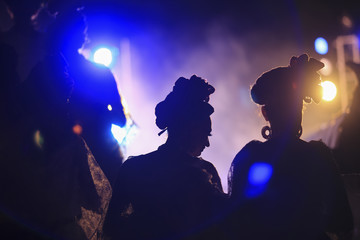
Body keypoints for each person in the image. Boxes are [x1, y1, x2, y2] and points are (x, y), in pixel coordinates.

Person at [227, 54, 353, 240]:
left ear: (265, 113)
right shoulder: (317, 155)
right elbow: (342, 221)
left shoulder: (250, 156)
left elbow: (236, 224)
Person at [104, 75, 226, 240]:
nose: (207, 143)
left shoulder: (135, 168)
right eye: (205, 134)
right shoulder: (206, 171)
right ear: (187, 130)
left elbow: (112, 227)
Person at [45, 9, 127, 187]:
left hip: (62, 156)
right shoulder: (101, 73)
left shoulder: (47, 71)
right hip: (100, 154)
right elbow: (120, 119)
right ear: (83, 36)